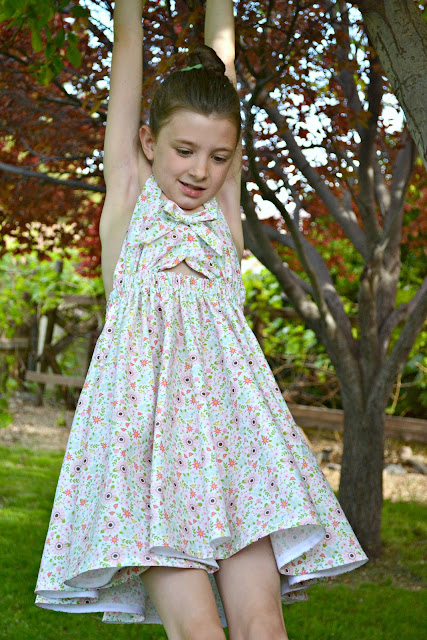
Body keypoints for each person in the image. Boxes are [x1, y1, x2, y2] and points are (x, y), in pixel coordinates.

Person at [34, 1, 368, 639]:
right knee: (200, 633)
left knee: (264, 627)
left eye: (219, 157)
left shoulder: (223, 214)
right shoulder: (130, 194)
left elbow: (224, 56)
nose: (200, 170)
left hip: (237, 451)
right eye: (184, 150)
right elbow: (127, 43)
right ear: (148, 143)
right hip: (148, 460)